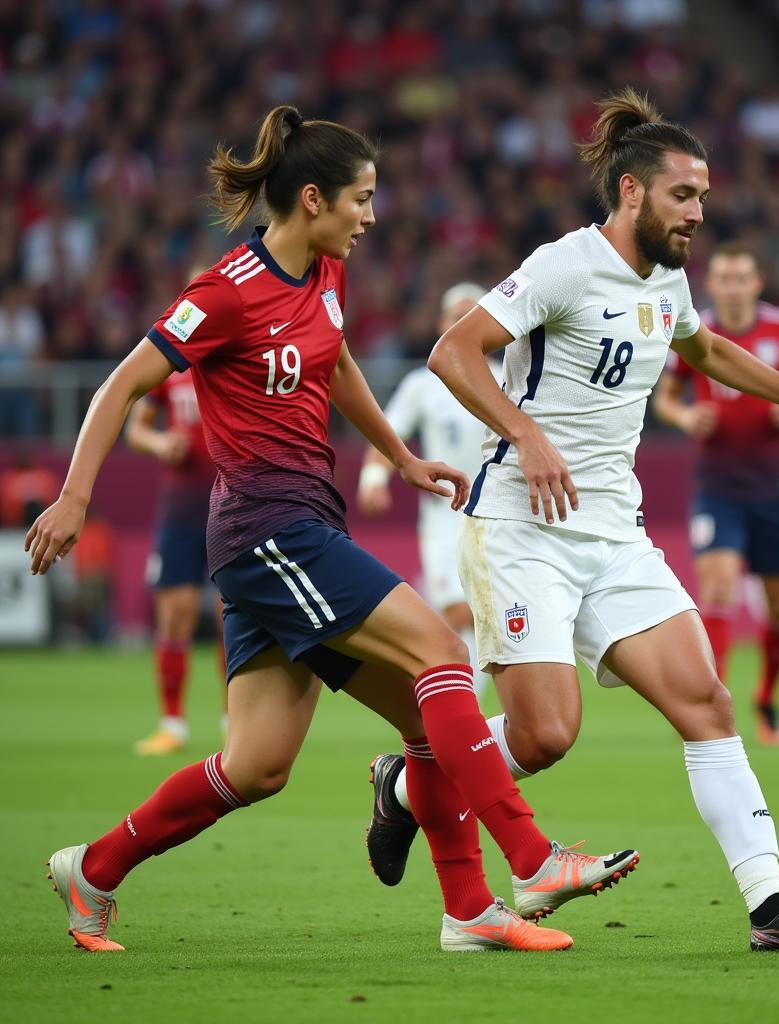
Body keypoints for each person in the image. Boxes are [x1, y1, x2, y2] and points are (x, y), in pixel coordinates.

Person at [26, 105, 639, 955]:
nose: (372, 215)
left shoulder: (326, 273)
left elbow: (338, 363)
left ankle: (94, 868)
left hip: (297, 528)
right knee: (441, 658)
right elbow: (121, 385)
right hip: (265, 531)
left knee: (261, 766)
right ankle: (531, 860)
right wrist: (74, 497)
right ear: (312, 199)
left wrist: (402, 453)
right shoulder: (225, 292)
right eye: (362, 197)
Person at [366, 88, 779, 952]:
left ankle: (771, 907)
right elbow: (451, 351)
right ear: (631, 192)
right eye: (684, 196)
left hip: (616, 533)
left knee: (708, 703)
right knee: (545, 737)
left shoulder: (670, 280)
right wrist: (526, 434)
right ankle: (403, 784)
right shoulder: (564, 265)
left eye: (704, 198)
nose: (698, 213)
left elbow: (708, 350)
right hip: (521, 525)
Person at [652, 241, 779, 745]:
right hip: (718, 486)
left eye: (741, 278)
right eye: (724, 278)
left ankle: (767, 696)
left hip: (775, 487)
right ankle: (716, 704)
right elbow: (665, 399)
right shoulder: (694, 330)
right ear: (713, 284)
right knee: (718, 589)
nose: (732, 287)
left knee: (778, 606)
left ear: (756, 283)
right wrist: (687, 416)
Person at [356, 282, 500, 700]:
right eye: (457, 316)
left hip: (495, 516)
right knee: (458, 612)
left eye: (473, 317)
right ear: (442, 323)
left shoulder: (506, 379)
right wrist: (373, 480)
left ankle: (464, 712)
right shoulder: (424, 383)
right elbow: (390, 436)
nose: (463, 325)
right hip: (444, 518)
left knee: (490, 618)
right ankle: (465, 710)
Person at [125, 365, 224, 755]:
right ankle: (172, 724)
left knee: (231, 616)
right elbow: (136, 429)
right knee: (174, 613)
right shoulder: (168, 362)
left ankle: (234, 719)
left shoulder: (235, 354)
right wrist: (160, 443)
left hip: (230, 504)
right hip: (180, 509)